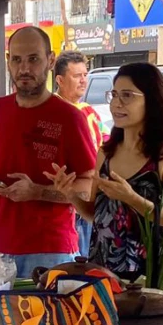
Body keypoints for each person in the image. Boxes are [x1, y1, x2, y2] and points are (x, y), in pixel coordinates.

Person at [47, 63, 163, 281]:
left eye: (127, 95)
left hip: (148, 281)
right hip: (101, 276)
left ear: (152, 100)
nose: (116, 103)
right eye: (114, 95)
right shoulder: (106, 152)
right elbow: (96, 215)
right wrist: (71, 195)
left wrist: (132, 199)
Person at [0, 27, 96, 278]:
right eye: (17, 60)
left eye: (33, 59)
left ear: (50, 61)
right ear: (8, 61)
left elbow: (89, 186)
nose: (24, 69)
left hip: (50, 250)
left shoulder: (70, 118)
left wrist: (38, 192)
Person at [54, 51, 106, 258]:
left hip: (92, 198)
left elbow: (105, 145)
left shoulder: (89, 112)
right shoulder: (53, 112)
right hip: (68, 205)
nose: (83, 80)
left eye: (85, 75)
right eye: (77, 76)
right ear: (60, 80)